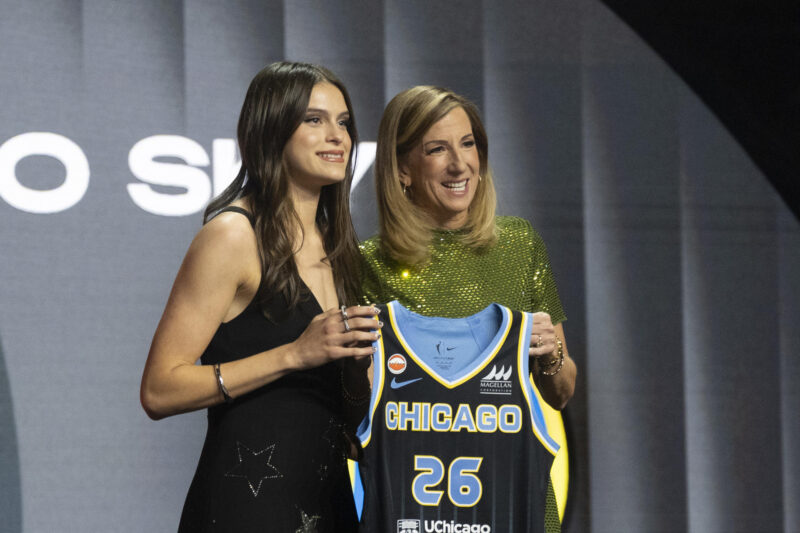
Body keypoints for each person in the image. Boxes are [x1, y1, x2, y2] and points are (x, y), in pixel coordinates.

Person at [140, 62, 379, 532]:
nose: (337, 137)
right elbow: (159, 389)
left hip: (328, 505)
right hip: (246, 510)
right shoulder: (233, 234)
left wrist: (357, 375)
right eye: (314, 120)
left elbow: (349, 417)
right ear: (271, 130)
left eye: (344, 123)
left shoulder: (341, 249)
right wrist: (293, 355)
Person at [358, 86, 576, 532]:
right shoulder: (369, 263)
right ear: (402, 170)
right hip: (412, 511)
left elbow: (561, 392)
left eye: (468, 143)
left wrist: (551, 353)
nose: (460, 164)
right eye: (437, 149)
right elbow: (356, 410)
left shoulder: (520, 245)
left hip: (513, 506)